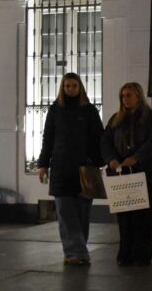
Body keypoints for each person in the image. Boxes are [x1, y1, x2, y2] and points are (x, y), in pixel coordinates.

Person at [37, 73, 104, 266]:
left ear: (80, 87)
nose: (70, 89)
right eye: (67, 86)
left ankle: (76, 251)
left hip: (85, 168)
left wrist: (99, 162)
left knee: (82, 213)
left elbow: (99, 137)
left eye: (74, 86)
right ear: (62, 88)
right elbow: (47, 138)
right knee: (65, 213)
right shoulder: (55, 110)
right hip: (60, 168)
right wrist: (43, 164)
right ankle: (75, 252)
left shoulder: (89, 111)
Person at [101, 82, 152, 267]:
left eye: (129, 95)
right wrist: (111, 159)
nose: (125, 99)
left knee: (142, 216)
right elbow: (105, 142)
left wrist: (136, 158)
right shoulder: (115, 119)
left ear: (138, 96)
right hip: (121, 173)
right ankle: (125, 254)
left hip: (143, 172)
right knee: (124, 215)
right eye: (123, 96)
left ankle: (142, 255)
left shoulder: (150, 118)